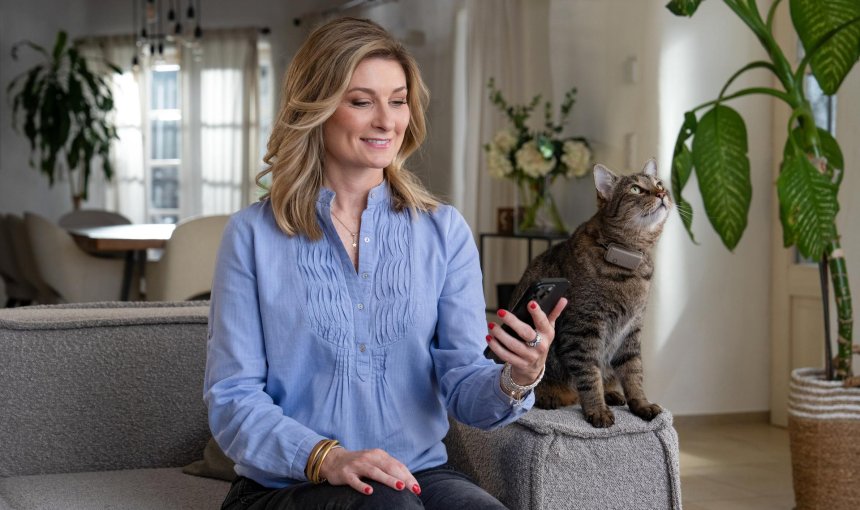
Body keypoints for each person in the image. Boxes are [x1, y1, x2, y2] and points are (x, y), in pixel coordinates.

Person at [204, 16, 568, 510]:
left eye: (397, 101)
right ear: (317, 108)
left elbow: (464, 383)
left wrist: (517, 378)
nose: (387, 120)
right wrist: (329, 458)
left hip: (416, 471)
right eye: (361, 102)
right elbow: (232, 399)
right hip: (289, 483)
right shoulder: (251, 235)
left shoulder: (444, 231)